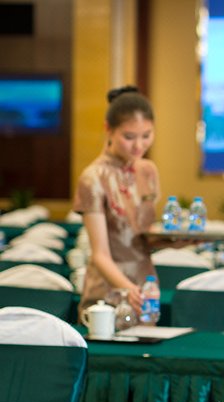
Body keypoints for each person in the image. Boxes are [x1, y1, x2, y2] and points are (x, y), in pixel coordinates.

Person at [73, 85, 160, 316]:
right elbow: (99, 254)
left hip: (145, 283)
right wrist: (128, 289)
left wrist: (175, 241)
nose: (139, 146)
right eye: (129, 137)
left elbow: (142, 236)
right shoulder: (93, 178)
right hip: (107, 290)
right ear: (108, 130)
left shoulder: (148, 171)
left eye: (146, 136)